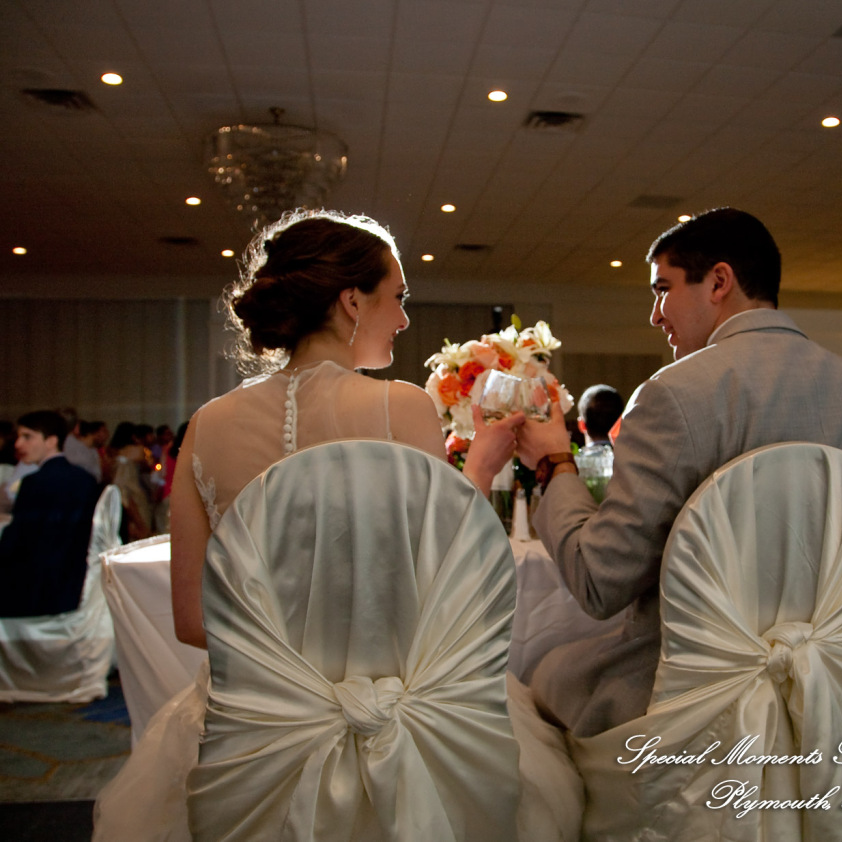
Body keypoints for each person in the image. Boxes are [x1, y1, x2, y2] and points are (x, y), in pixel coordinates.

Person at [93, 208, 518, 839]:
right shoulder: (400, 408)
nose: (403, 318)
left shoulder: (206, 425)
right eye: (396, 298)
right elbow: (449, 595)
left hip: (251, 730)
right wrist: (479, 472)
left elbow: (191, 618)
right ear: (352, 301)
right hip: (390, 717)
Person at [509, 207, 842, 737]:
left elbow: (598, 582)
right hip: (840, 701)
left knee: (540, 674)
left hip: (683, 696)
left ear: (719, 282)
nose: (656, 314)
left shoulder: (672, 395)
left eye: (663, 289)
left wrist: (556, 463)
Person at [0, 410, 100, 617]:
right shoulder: (86, 479)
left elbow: (19, 543)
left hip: (37, 590)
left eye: (27, 437)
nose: (18, 444)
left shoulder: (34, 483)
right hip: (75, 585)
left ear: (51, 441)